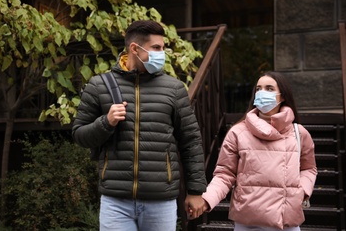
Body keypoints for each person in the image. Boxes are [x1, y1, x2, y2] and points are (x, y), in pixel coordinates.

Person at [72, 20, 207, 231]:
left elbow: (191, 141)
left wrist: (196, 191)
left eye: (162, 48)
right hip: (116, 201)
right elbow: (79, 135)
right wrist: (105, 122)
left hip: (161, 200)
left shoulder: (174, 89)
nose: (162, 53)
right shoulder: (99, 86)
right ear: (135, 48)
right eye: (156, 48)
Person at [199, 71, 317, 230]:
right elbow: (224, 174)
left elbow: (309, 168)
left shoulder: (299, 133)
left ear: (282, 97)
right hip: (248, 222)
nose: (262, 93)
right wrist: (207, 199)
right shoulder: (238, 133)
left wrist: (300, 192)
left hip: (286, 221)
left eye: (269, 88)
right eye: (259, 89)